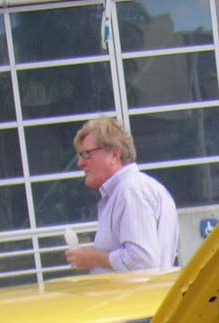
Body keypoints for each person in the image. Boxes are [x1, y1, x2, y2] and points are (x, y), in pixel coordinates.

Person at [64, 117, 178, 273]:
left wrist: (93, 257)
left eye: (86, 154)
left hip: (137, 296)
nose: (80, 163)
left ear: (114, 155)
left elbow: (142, 261)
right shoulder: (125, 191)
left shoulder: (131, 190)